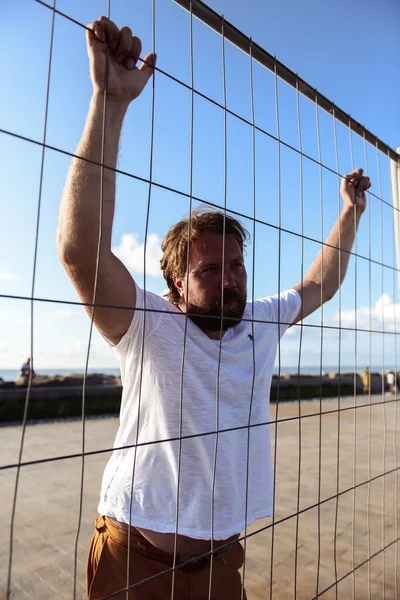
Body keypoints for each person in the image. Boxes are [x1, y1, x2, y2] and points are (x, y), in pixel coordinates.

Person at [57, 16, 371, 600]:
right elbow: (81, 254)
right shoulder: (148, 325)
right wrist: (110, 102)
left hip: (223, 561)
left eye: (236, 265)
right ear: (176, 284)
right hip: (138, 560)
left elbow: (319, 285)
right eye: (209, 271)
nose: (230, 282)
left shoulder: (258, 323)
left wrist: (348, 213)